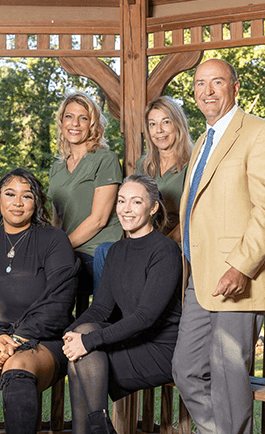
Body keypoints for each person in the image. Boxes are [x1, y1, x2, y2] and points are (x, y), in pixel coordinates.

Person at [172, 58, 265, 434]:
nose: (207, 91)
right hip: (199, 276)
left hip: (238, 275)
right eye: (199, 84)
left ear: (236, 87)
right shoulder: (204, 141)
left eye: (217, 83)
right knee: (186, 369)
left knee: (228, 377)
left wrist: (242, 267)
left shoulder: (257, 132)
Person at [0, 168, 79, 434]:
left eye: (27, 196)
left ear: (37, 202)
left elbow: (60, 300)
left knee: (18, 367)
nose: (17, 202)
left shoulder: (54, 240)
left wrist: (18, 337)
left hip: (41, 339)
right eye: (10, 194)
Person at [63, 174, 182, 434]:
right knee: (80, 352)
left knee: (82, 360)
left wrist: (88, 342)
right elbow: (101, 309)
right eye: (121, 201)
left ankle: (95, 427)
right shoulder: (116, 251)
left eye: (136, 202)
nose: (126, 209)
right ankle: (99, 425)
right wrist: (69, 335)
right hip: (132, 341)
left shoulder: (165, 251)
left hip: (162, 348)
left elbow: (145, 318)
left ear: (152, 208)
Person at [93, 96, 192, 284]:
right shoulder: (143, 165)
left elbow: (191, 219)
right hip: (143, 241)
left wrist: (160, 246)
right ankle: (105, 312)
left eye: (166, 122)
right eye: (152, 124)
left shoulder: (193, 163)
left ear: (177, 124)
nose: (159, 130)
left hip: (174, 246)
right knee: (105, 251)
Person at [48, 93, 122, 294]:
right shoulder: (57, 168)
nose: (75, 123)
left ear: (92, 124)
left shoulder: (106, 160)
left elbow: (99, 219)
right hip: (69, 252)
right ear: (61, 122)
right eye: (69, 116)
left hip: (97, 253)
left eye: (83, 118)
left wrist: (60, 248)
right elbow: (57, 220)